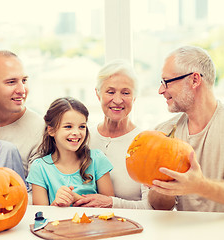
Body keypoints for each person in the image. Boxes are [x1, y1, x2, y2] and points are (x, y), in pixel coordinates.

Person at [148, 45, 224, 212]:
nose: (161, 90)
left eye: (166, 82)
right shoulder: (164, 133)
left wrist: (199, 186)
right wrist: (163, 185)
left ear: (194, 80)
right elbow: (159, 206)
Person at [73, 60, 151, 209]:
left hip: (132, 226)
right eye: (110, 92)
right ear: (98, 94)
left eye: (126, 93)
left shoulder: (146, 142)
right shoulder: (82, 138)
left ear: (134, 97)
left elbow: (151, 207)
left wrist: (111, 203)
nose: (117, 100)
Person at [26, 97, 114, 206]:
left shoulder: (97, 159)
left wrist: (75, 198)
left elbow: (110, 207)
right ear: (51, 130)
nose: (76, 132)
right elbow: (41, 216)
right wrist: (56, 205)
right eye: (68, 126)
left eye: (82, 126)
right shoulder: (39, 167)